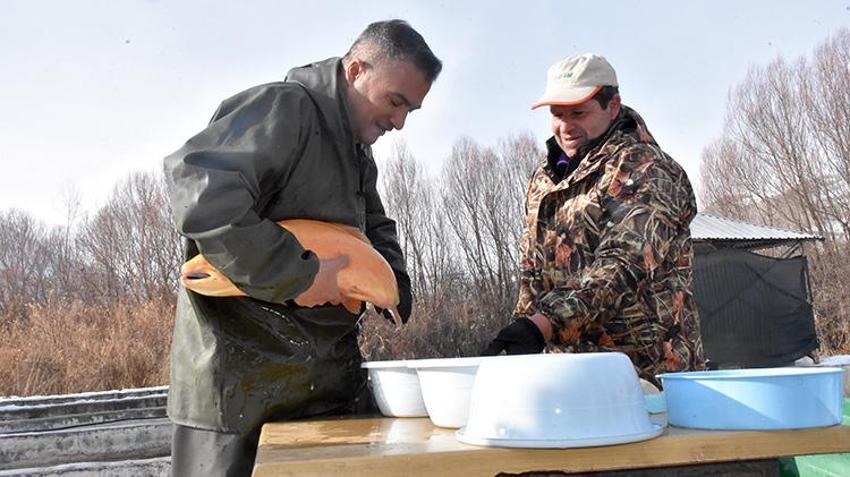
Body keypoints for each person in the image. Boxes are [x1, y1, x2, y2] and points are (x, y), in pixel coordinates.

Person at [163, 20, 441, 476]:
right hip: (237, 400)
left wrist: (394, 282)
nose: (400, 122)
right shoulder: (284, 107)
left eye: (410, 109)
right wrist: (300, 274)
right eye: (395, 101)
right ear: (356, 71)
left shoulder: (357, 150)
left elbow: (374, 225)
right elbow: (201, 190)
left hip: (324, 389)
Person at [482, 53, 705, 385]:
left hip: (644, 375)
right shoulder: (544, 180)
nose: (566, 126)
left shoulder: (646, 168)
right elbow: (532, 270)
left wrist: (543, 324)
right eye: (557, 114)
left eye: (578, 112)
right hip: (568, 376)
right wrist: (522, 333)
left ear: (612, 106)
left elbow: (624, 264)